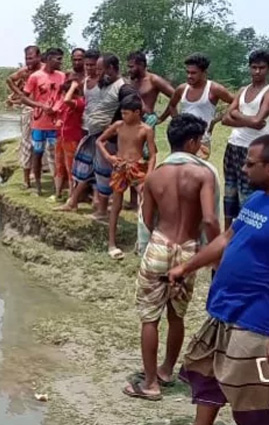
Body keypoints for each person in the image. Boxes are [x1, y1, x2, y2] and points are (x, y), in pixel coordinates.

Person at [168, 135, 269, 425]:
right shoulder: (257, 199)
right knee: (208, 380)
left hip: (255, 322)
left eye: (251, 164)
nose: (244, 170)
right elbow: (227, 238)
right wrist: (185, 267)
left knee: (252, 402)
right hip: (224, 311)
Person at [122, 114, 221, 401]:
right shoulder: (204, 174)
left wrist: (150, 244)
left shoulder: (155, 176)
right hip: (188, 251)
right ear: (191, 142)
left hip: (159, 245)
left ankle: (150, 383)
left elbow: (147, 218)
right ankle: (166, 370)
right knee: (176, 314)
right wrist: (215, 253)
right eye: (200, 140)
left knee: (149, 318)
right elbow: (211, 219)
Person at [59, 54, 139, 217]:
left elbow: (134, 114)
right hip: (94, 135)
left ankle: (102, 211)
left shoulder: (124, 88)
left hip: (109, 139)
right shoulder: (104, 83)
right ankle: (72, 202)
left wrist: (116, 131)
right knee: (86, 167)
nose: (97, 72)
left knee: (103, 173)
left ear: (110, 69)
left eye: (101, 69)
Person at [96, 95, 156, 259]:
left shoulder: (146, 130)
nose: (123, 116)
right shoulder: (118, 125)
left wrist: (149, 175)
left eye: (126, 113)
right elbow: (100, 141)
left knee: (146, 204)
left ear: (137, 112)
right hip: (120, 167)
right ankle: (112, 243)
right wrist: (109, 157)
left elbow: (152, 155)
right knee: (116, 205)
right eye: (122, 113)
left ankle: (144, 242)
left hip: (138, 168)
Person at [221, 49, 269, 231]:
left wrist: (237, 115)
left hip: (253, 149)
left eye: (262, 68)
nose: (257, 72)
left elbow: (259, 121)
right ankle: (226, 233)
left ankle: (244, 233)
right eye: (254, 67)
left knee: (247, 194)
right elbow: (226, 118)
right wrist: (250, 120)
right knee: (229, 191)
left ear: (267, 69)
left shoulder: (267, 92)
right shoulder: (242, 90)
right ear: (249, 68)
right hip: (233, 145)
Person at [158, 53, 234, 160]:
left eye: (193, 73)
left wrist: (215, 120)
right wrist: (177, 121)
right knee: (179, 169)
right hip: (182, 139)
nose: (189, 76)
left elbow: (235, 102)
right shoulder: (182, 88)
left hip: (201, 140)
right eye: (187, 72)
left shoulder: (214, 89)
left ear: (204, 73)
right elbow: (172, 105)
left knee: (196, 171)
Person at [126, 51, 174, 210]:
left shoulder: (153, 80)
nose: (130, 69)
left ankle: (145, 200)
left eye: (132, 66)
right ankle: (133, 201)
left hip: (148, 121)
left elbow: (175, 96)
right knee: (132, 159)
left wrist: (162, 117)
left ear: (141, 65)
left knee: (146, 158)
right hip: (133, 123)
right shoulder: (132, 81)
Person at [22, 47, 66, 196]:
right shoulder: (35, 76)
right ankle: (38, 186)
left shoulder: (61, 76)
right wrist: (39, 105)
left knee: (55, 154)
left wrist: (56, 108)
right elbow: (24, 97)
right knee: (37, 152)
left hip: (56, 122)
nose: (61, 62)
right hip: (39, 122)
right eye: (58, 59)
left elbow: (63, 96)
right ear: (48, 59)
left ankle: (57, 187)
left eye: (61, 59)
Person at [7, 46, 43, 189]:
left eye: (31, 58)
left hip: (44, 109)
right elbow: (9, 79)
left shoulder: (45, 71)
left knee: (44, 144)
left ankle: (41, 176)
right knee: (27, 142)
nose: (28, 61)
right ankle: (26, 180)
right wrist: (20, 95)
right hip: (29, 108)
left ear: (39, 57)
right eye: (27, 58)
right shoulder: (24, 72)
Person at [52, 77, 86, 201]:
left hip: (72, 139)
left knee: (71, 168)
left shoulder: (79, 103)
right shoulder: (65, 105)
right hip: (61, 137)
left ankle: (72, 197)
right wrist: (57, 121)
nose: (63, 95)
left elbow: (66, 100)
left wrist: (73, 86)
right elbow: (57, 115)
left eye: (65, 92)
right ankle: (58, 194)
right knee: (59, 165)